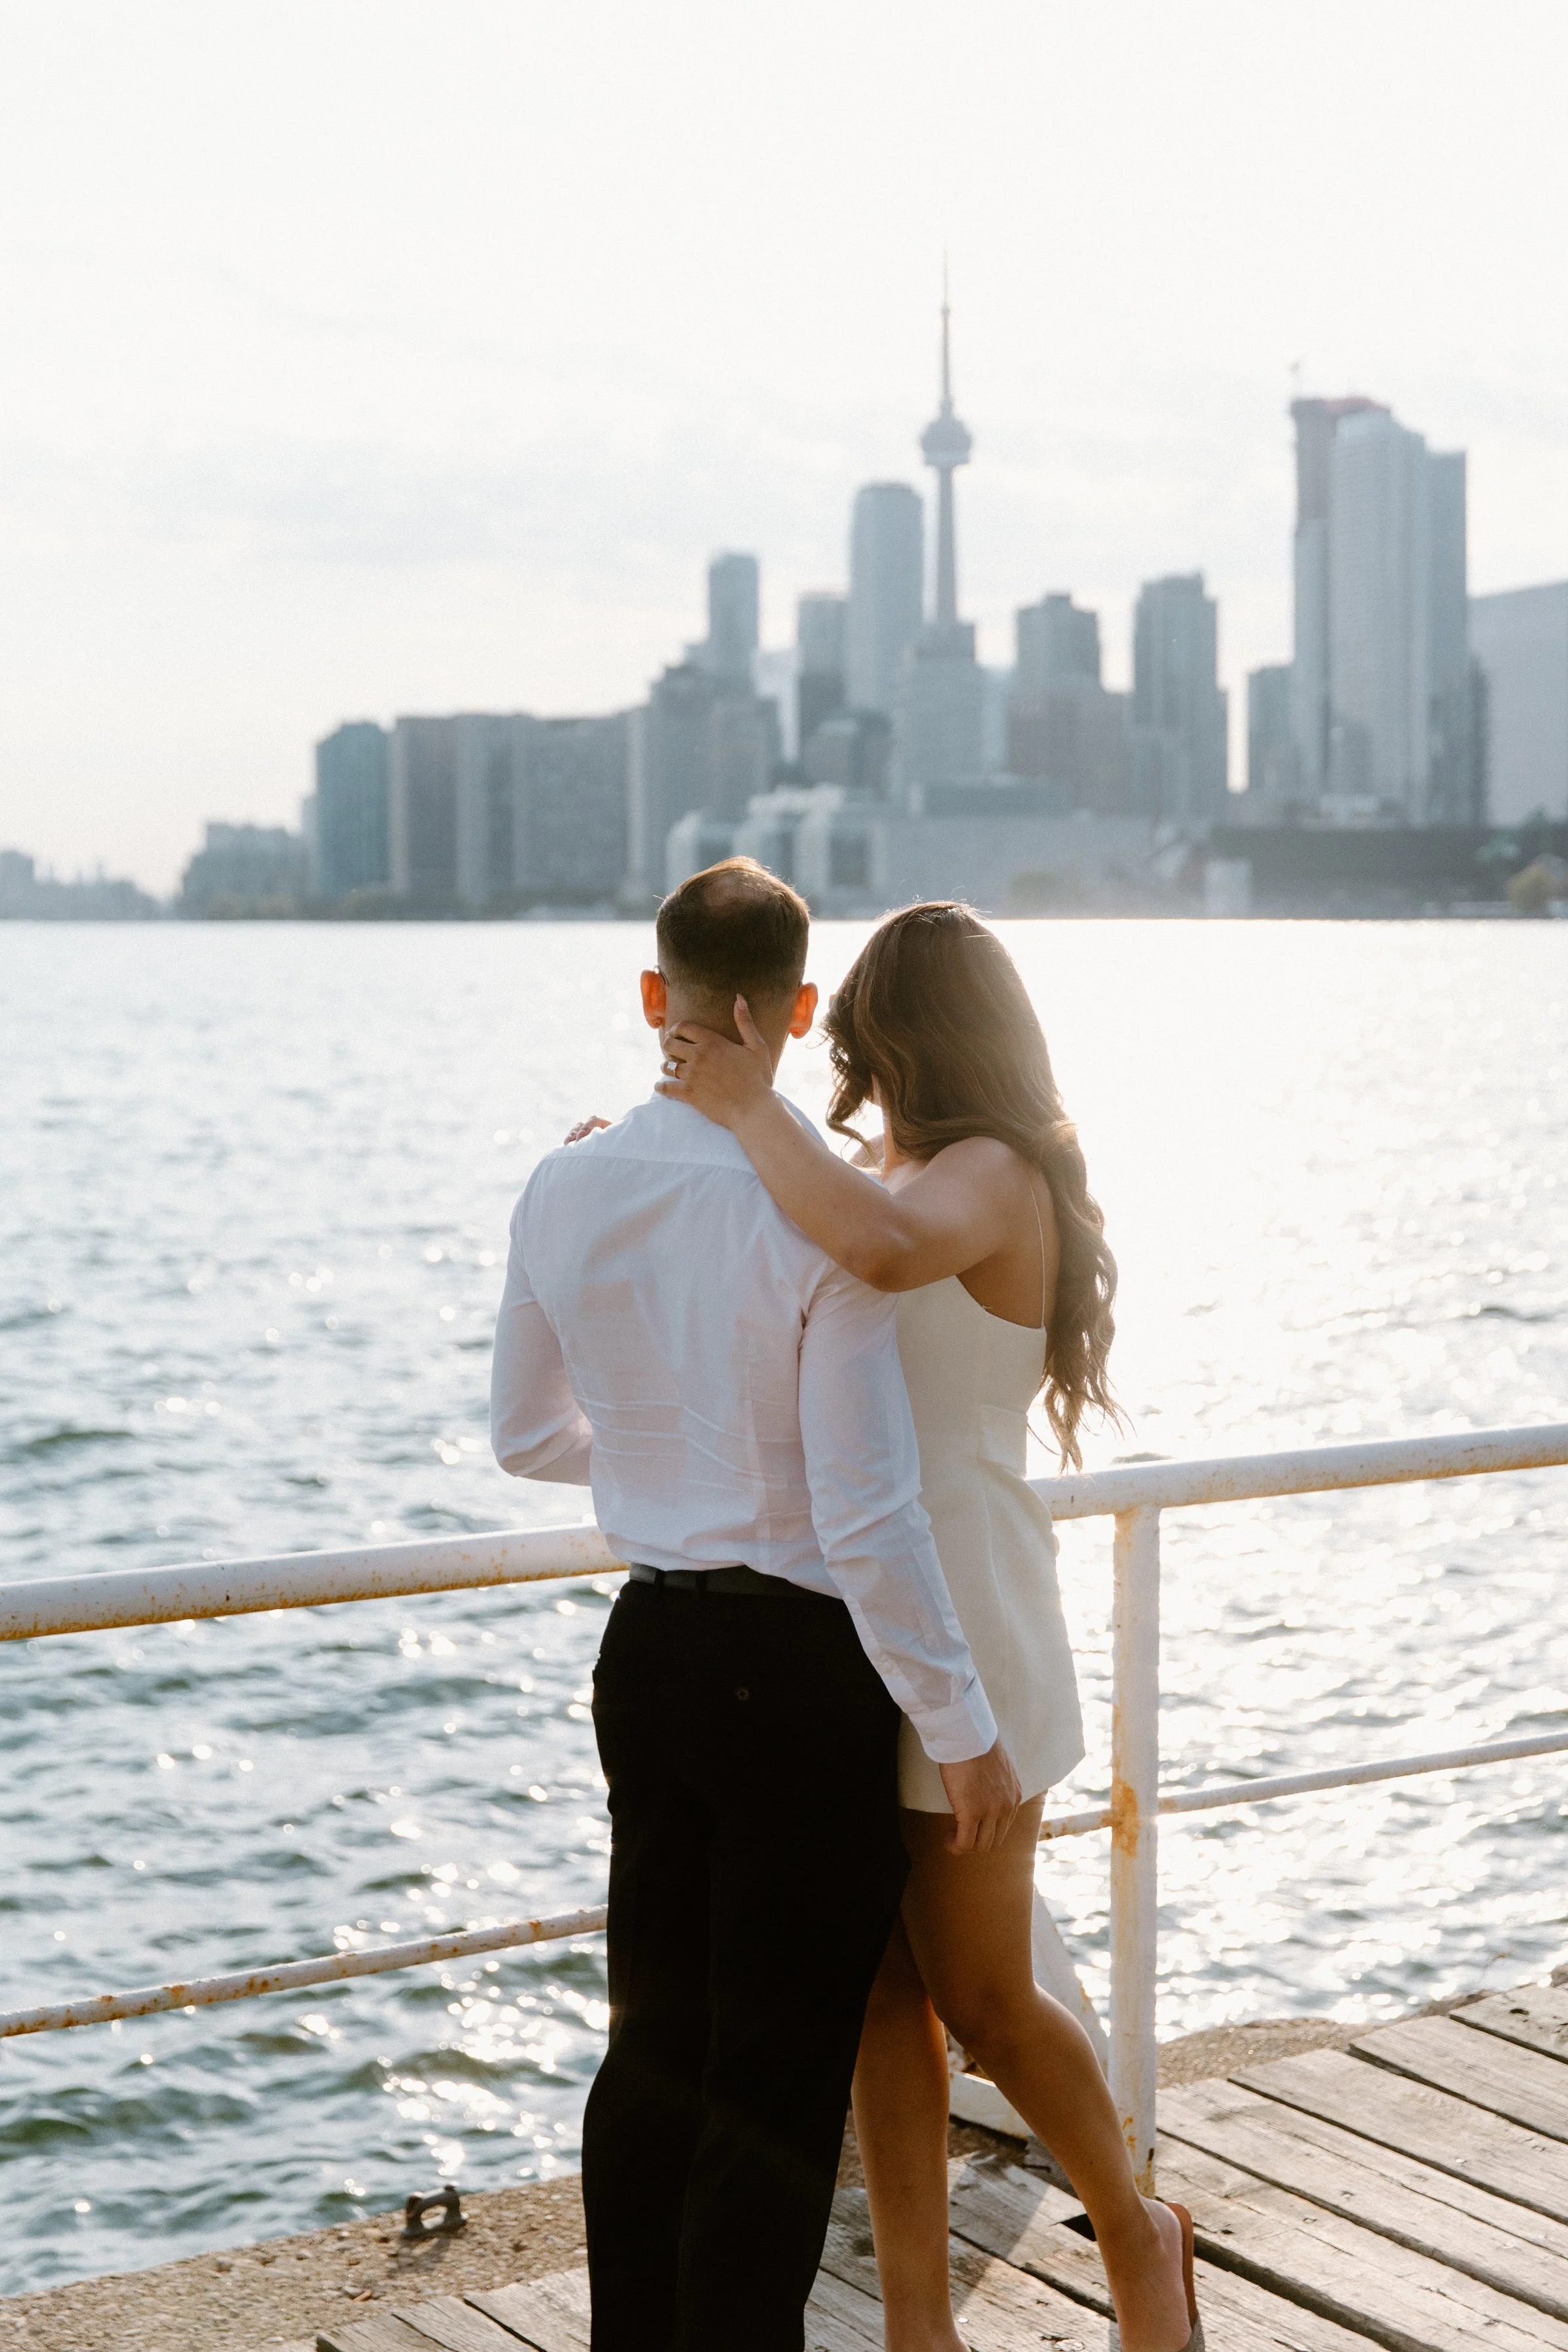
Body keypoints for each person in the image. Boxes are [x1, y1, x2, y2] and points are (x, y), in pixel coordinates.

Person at [655, 899, 1202, 2352]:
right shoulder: (869, 1167)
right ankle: (917, 2324)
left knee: (987, 1993)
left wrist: (743, 1098)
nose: (847, 1063)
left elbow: (887, 1250)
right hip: (859, 1633)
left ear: (909, 1034)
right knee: (880, 1996)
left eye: (862, 1036)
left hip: (979, 1631)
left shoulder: (990, 1175)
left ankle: (1141, 2239)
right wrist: (641, 1154)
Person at [490, 862, 1021, 2352]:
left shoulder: (564, 1181)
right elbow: (864, 1509)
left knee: (652, 2047)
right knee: (775, 2085)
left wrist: (672, 1460)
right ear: (796, 1009)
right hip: (798, 1672)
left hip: (647, 1653)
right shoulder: (817, 1216)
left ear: (657, 1000)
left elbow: (527, 1438)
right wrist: (961, 1724)